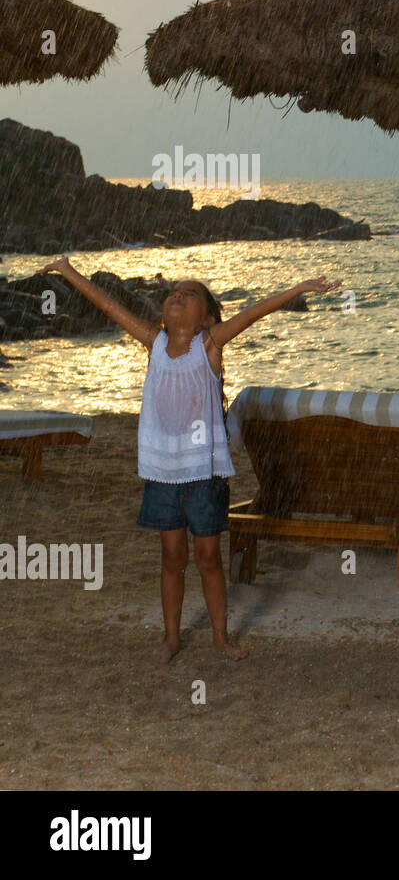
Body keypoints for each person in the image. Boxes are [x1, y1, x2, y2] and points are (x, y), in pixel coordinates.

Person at [35, 255, 339, 662]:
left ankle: (220, 637)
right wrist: (68, 271)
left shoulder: (209, 346)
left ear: (208, 319)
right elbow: (109, 306)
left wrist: (298, 290)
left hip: (204, 475)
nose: (178, 294)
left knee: (208, 558)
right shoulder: (153, 342)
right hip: (162, 475)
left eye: (190, 294)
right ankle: (172, 638)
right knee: (172, 558)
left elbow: (253, 313)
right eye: (175, 292)